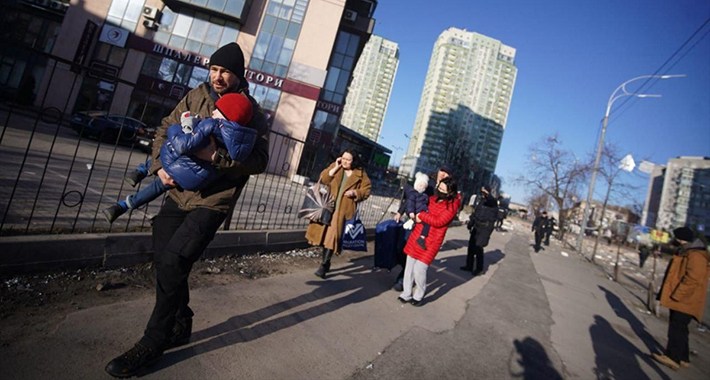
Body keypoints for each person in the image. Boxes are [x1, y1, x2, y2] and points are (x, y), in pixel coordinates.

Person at [105, 42, 270, 378]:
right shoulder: (196, 94)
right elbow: (166, 127)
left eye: (225, 71)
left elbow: (260, 161)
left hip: (212, 202)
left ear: (238, 76)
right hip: (177, 191)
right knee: (163, 256)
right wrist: (158, 167)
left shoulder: (252, 111)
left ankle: (154, 341)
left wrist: (217, 158)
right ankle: (181, 321)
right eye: (214, 69)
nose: (218, 76)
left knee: (174, 260)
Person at [102, 93, 255, 223]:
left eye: (218, 109)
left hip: (184, 165)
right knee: (160, 184)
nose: (213, 111)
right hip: (196, 177)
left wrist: (175, 129)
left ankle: (141, 171)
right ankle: (124, 205)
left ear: (226, 115)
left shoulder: (212, 126)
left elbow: (184, 145)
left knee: (169, 148)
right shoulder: (237, 138)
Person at [306, 149, 371, 279]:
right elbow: (323, 179)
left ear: (354, 161)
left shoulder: (360, 173)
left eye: (348, 159)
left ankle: (324, 265)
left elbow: (367, 190)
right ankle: (326, 261)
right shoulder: (336, 167)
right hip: (328, 206)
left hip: (343, 211)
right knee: (324, 237)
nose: (345, 161)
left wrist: (355, 193)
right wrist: (335, 167)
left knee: (332, 237)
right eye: (343, 158)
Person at [652, 227, 709, 371]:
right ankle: (683, 358)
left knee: (676, 328)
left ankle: (672, 357)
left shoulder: (696, 255)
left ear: (680, 238)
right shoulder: (688, 251)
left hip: (686, 299)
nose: (674, 240)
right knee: (681, 328)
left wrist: (678, 294)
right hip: (685, 298)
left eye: (675, 237)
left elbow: (693, 278)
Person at [397, 177, 460, 306]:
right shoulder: (431, 199)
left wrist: (422, 216)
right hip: (417, 236)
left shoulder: (452, 206)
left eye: (443, 190)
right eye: (439, 188)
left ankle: (419, 295)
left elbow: (439, 221)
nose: (440, 191)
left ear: (450, 192)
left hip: (431, 241)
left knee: (420, 269)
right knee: (409, 268)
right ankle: (406, 293)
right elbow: (417, 204)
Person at [392, 165, 453, 291]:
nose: (443, 174)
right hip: (413, 219)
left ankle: (403, 279)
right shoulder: (427, 183)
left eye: (446, 173)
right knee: (400, 248)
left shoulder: (448, 190)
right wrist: (400, 212)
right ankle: (405, 273)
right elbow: (412, 197)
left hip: (427, 227)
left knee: (414, 253)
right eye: (442, 170)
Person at [461, 185, 498, 276]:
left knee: (478, 248)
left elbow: (491, 200)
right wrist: (471, 223)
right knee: (471, 247)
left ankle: (479, 268)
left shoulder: (492, 202)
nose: (482, 194)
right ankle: (469, 265)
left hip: (485, 228)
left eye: (484, 192)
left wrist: (486, 193)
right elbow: (475, 213)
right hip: (476, 226)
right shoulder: (481, 201)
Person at [402, 172, 431, 249]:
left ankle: (422, 237)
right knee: (407, 234)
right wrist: (411, 212)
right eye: (421, 185)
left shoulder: (425, 196)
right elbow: (410, 203)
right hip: (414, 214)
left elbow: (425, 204)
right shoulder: (413, 194)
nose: (422, 188)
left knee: (427, 224)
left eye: (424, 187)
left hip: (421, 214)